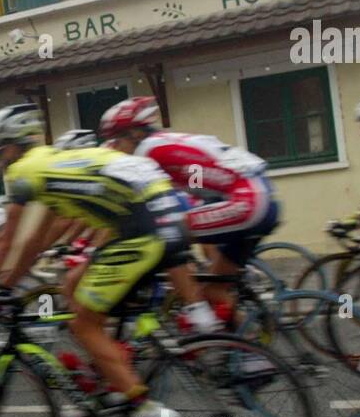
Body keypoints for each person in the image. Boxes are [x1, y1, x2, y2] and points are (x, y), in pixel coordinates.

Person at [0, 104, 189, 417]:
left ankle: (148, 411)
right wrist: (10, 282)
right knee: (73, 286)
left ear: (12, 146)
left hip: (143, 227)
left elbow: (7, 241)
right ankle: (112, 387)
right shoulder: (53, 163)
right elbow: (37, 240)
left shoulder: (24, 174)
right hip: (165, 215)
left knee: (83, 323)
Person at [100, 97, 275, 317]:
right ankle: (245, 344)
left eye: (116, 140)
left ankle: (195, 311)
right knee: (213, 290)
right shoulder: (162, 143)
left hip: (249, 200)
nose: (114, 148)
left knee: (165, 237)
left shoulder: (147, 152)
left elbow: (133, 205)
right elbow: (192, 184)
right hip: (259, 196)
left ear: (134, 134)